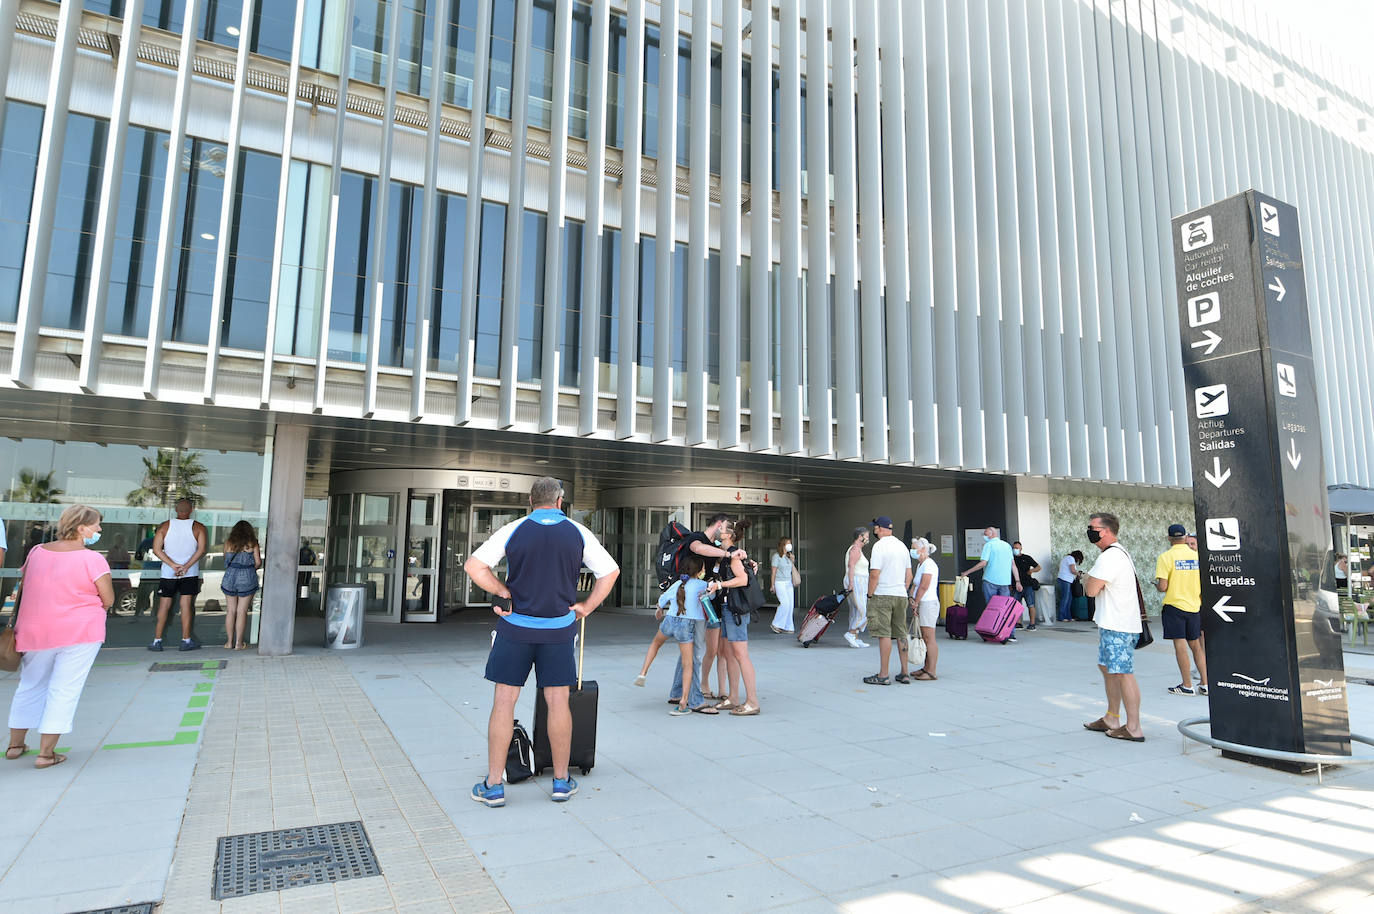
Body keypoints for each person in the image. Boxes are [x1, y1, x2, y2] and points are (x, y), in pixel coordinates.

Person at [464, 477, 619, 807]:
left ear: (530, 501)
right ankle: (561, 782)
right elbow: (610, 572)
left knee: (504, 702)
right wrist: (587, 607)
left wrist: (502, 591)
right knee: (558, 702)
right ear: (560, 501)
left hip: (515, 629)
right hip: (558, 631)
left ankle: (494, 786)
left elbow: (474, 566)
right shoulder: (577, 532)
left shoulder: (514, 529)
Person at [6, 505, 112, 769]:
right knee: (65, 689)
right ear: (81, 528)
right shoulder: (93, 559)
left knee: (30, 684)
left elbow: (28, 584)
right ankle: (46, 754)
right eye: (96, 524)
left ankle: (15, 745)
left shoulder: (36, 552)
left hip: (34, 630)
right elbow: (108, 598)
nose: (99, 529)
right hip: (80, 630)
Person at [1081, 513, 1145, 742]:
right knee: (1107, 667)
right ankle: (1112, 717)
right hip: (1113, 623)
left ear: (1107, 531)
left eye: (1093, 528)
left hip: (1118, 624)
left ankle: (1134, 727)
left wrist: (1087, 578)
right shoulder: (1117, 553)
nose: (1089, 532)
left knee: (1122, 672)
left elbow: (1091, 589)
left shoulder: (1110, 556)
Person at [655, 555, 721, 716]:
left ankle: (677, 692)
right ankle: (696, 700)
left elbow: (663, 598)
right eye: (703, 569)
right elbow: (712, 595)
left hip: (680, 621)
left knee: (686, 658)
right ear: (698, 571)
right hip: (696, 623)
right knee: (694, 659)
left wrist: (659, 608)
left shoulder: (680, 584)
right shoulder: (702, 584)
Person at [714, 518, 760, 715]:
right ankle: (733, 697)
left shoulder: (734, 555)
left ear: (727, 535)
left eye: (721, 527)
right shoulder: (727, 554)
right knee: (729, 654)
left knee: (741, 655)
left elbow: (742, 579)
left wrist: (720, 585)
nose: (717, 529)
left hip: (735, 610)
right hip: (728, 608)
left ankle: (752, 702)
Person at [148, 498, 208, 652]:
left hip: (169, 572)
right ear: (191, 510)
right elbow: (201, 550)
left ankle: (157, 640)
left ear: (176, 509)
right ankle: (186, 640)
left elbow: (157, 549)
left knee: (164, 605)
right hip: (190, 572)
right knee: (186, 605)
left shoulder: (165, 526)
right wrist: (186, 566)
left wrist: (172, 564)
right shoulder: (198, 527)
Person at [1156, 523, 1206, 696]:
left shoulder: (1165, 557)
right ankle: (1205, 683)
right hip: (1194, 606)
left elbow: (1163, 586)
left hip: (1174, 606)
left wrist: (1158, 586)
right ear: (1185, 537)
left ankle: (1187, 685)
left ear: (1169, 538)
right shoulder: (1197, 556)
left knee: (1180, 645)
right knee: (1196, 645)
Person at [862, 517, 913, 686]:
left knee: (884, 634)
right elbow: (909, 575)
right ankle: (905, 673)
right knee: (901, 633)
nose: (874, 530)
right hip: (900, 595)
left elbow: (874, 574)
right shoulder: (902, 546)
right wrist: (902, 589)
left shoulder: (879, 546)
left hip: (883, 594)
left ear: (879, 528)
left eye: (875, 527)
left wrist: (870, 595)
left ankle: (883, 675)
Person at [960, 526, 1023, 642]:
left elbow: (983, 563)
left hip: (990, 581)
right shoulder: (1007, 546)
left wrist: (967, 572)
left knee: (991, 608)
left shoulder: (988, 545)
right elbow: (1013, 565)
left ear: (992, 534)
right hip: (1005, 582)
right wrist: (1017, 581)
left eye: (985, 534)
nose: (984, 536)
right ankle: (1010, 633)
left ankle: (992, 632)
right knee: (1006, 609)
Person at [221, 521, 262, 651]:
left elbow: (225, 560)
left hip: (230, 576)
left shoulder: (229, 542)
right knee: (242, 611)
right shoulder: (253, 543)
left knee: (230, 611)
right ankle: (239, 643)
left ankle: (229, 642)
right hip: (247, 575)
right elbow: (258, 562)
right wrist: (249, 569)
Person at [909, 537, 940, 681]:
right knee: (924, 637)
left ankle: (931, 671)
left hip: (928, 603)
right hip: (922, 603)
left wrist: (915, 602)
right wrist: (912, 598)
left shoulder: (929, 564)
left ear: (922, 549)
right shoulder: (920, 565)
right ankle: (926, 667)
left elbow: (924, 586)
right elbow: (915, 584)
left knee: (929, 637)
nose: (912, 550)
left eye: (914, 548)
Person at [843, 526, 870, 648]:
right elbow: (851, 566)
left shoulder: (858, 549)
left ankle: (855, 637)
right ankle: (851, 632)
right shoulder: (855, 549)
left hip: (859, 581)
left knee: (855, 610)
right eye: (866, 536)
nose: (868, 539)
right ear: (860, 537)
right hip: (856, 580)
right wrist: (851, 583)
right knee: (862, 610)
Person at [769, 537, 798, 633]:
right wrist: (772, 585)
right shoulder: (776, 556)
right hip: (779, 582)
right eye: (788, 543)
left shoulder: (789, 556)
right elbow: (773, 572)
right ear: (783, 545)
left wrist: (792, 561)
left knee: (790, 605)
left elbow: (791, 569)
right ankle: (776, 624)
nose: (790, 545)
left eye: (790, 543)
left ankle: (788, 626)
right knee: (785, 604)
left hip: (788, 582)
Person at [1012, 541, 1042, 630]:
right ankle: (1018, 623)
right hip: (1015, 585)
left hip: (1027, 585)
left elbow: (1038, 567)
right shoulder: (1011, 558)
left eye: (1017, 548)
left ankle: (1032, 624)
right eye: (1014, 548)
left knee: (1030, 604)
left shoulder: (1027, 558)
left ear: (1021, 548)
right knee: (1016, 605)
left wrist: (1031, 571)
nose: (1015, 549)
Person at [1056, 550, 1082, 622]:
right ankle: (1061, 617)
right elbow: (1072, 570)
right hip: (1065, 580)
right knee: (1065, 599)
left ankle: (1068, 617)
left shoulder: (1067, 558)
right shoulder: (1071, 558)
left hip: (1065, 580)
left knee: (1068, 599)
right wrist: (1079, 574)